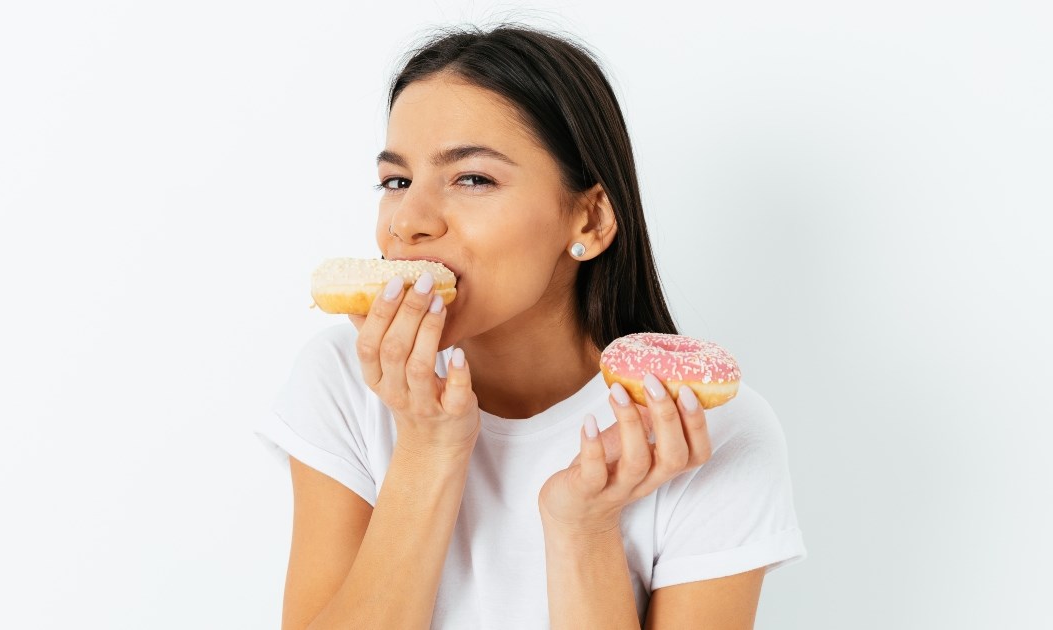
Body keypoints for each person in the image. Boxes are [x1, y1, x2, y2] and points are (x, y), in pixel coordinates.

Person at [255, 24, 807, 629]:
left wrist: (584, 529)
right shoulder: (345, 378)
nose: (407, 222)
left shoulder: (706, 430)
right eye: (396, 181)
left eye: (472, 178)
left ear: (590, 221)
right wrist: (428, 448)